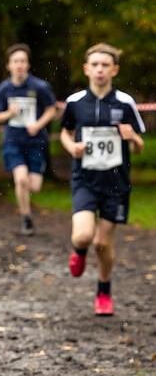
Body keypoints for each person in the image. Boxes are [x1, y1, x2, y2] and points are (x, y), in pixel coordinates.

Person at [60, 43, 144, 316]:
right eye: (94, 64)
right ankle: (78, 250)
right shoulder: (74, 103)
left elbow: (139, 145)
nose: (99, 69)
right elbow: (65, 133)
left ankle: (103, 292)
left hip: (116, 183)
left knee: (102, 243)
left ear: (114, 70)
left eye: (105, 65)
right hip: (84, 178)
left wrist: (132, 139)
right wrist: (71, 147)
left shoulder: (125, 103)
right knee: (84, 236)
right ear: (86, 69)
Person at [0, 44, 58, 235]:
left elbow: (51, 110)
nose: (19, 65)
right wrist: (9, 113)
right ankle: (26, 218)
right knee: (21, 179)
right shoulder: (3, 89)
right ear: (8, 65)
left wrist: (38, 125)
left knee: (35, 186)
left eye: (22, 61)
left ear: (28, 64)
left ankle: (26, 209)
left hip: (36, 141)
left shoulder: (40, 87)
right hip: (13, 140)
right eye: (16, 61)